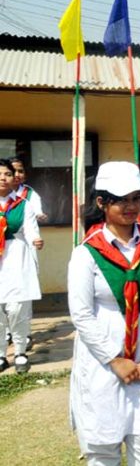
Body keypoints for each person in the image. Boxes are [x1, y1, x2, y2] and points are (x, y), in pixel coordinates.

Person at [67, 161, 140, 465]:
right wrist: (115, 360)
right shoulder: (86, 253)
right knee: (103, 448)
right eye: (122, 199)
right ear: (102, 202)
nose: (131, 206)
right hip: (103, 361)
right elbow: (82, 314)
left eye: (136, 198)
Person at [0, 159, 42, 373]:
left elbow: (31, 228)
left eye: (7, 174)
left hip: (16, 257)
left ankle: (20, 352)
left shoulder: (22, 204)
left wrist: (35, 239)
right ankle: (0, 354)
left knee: (17, 309)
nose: (3, 178)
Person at [10, 157, 47, 222]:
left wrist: (39, 215)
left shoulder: (29, 192)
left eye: (20, 171)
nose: (17, 175)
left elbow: (36, 207)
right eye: (13, 171)